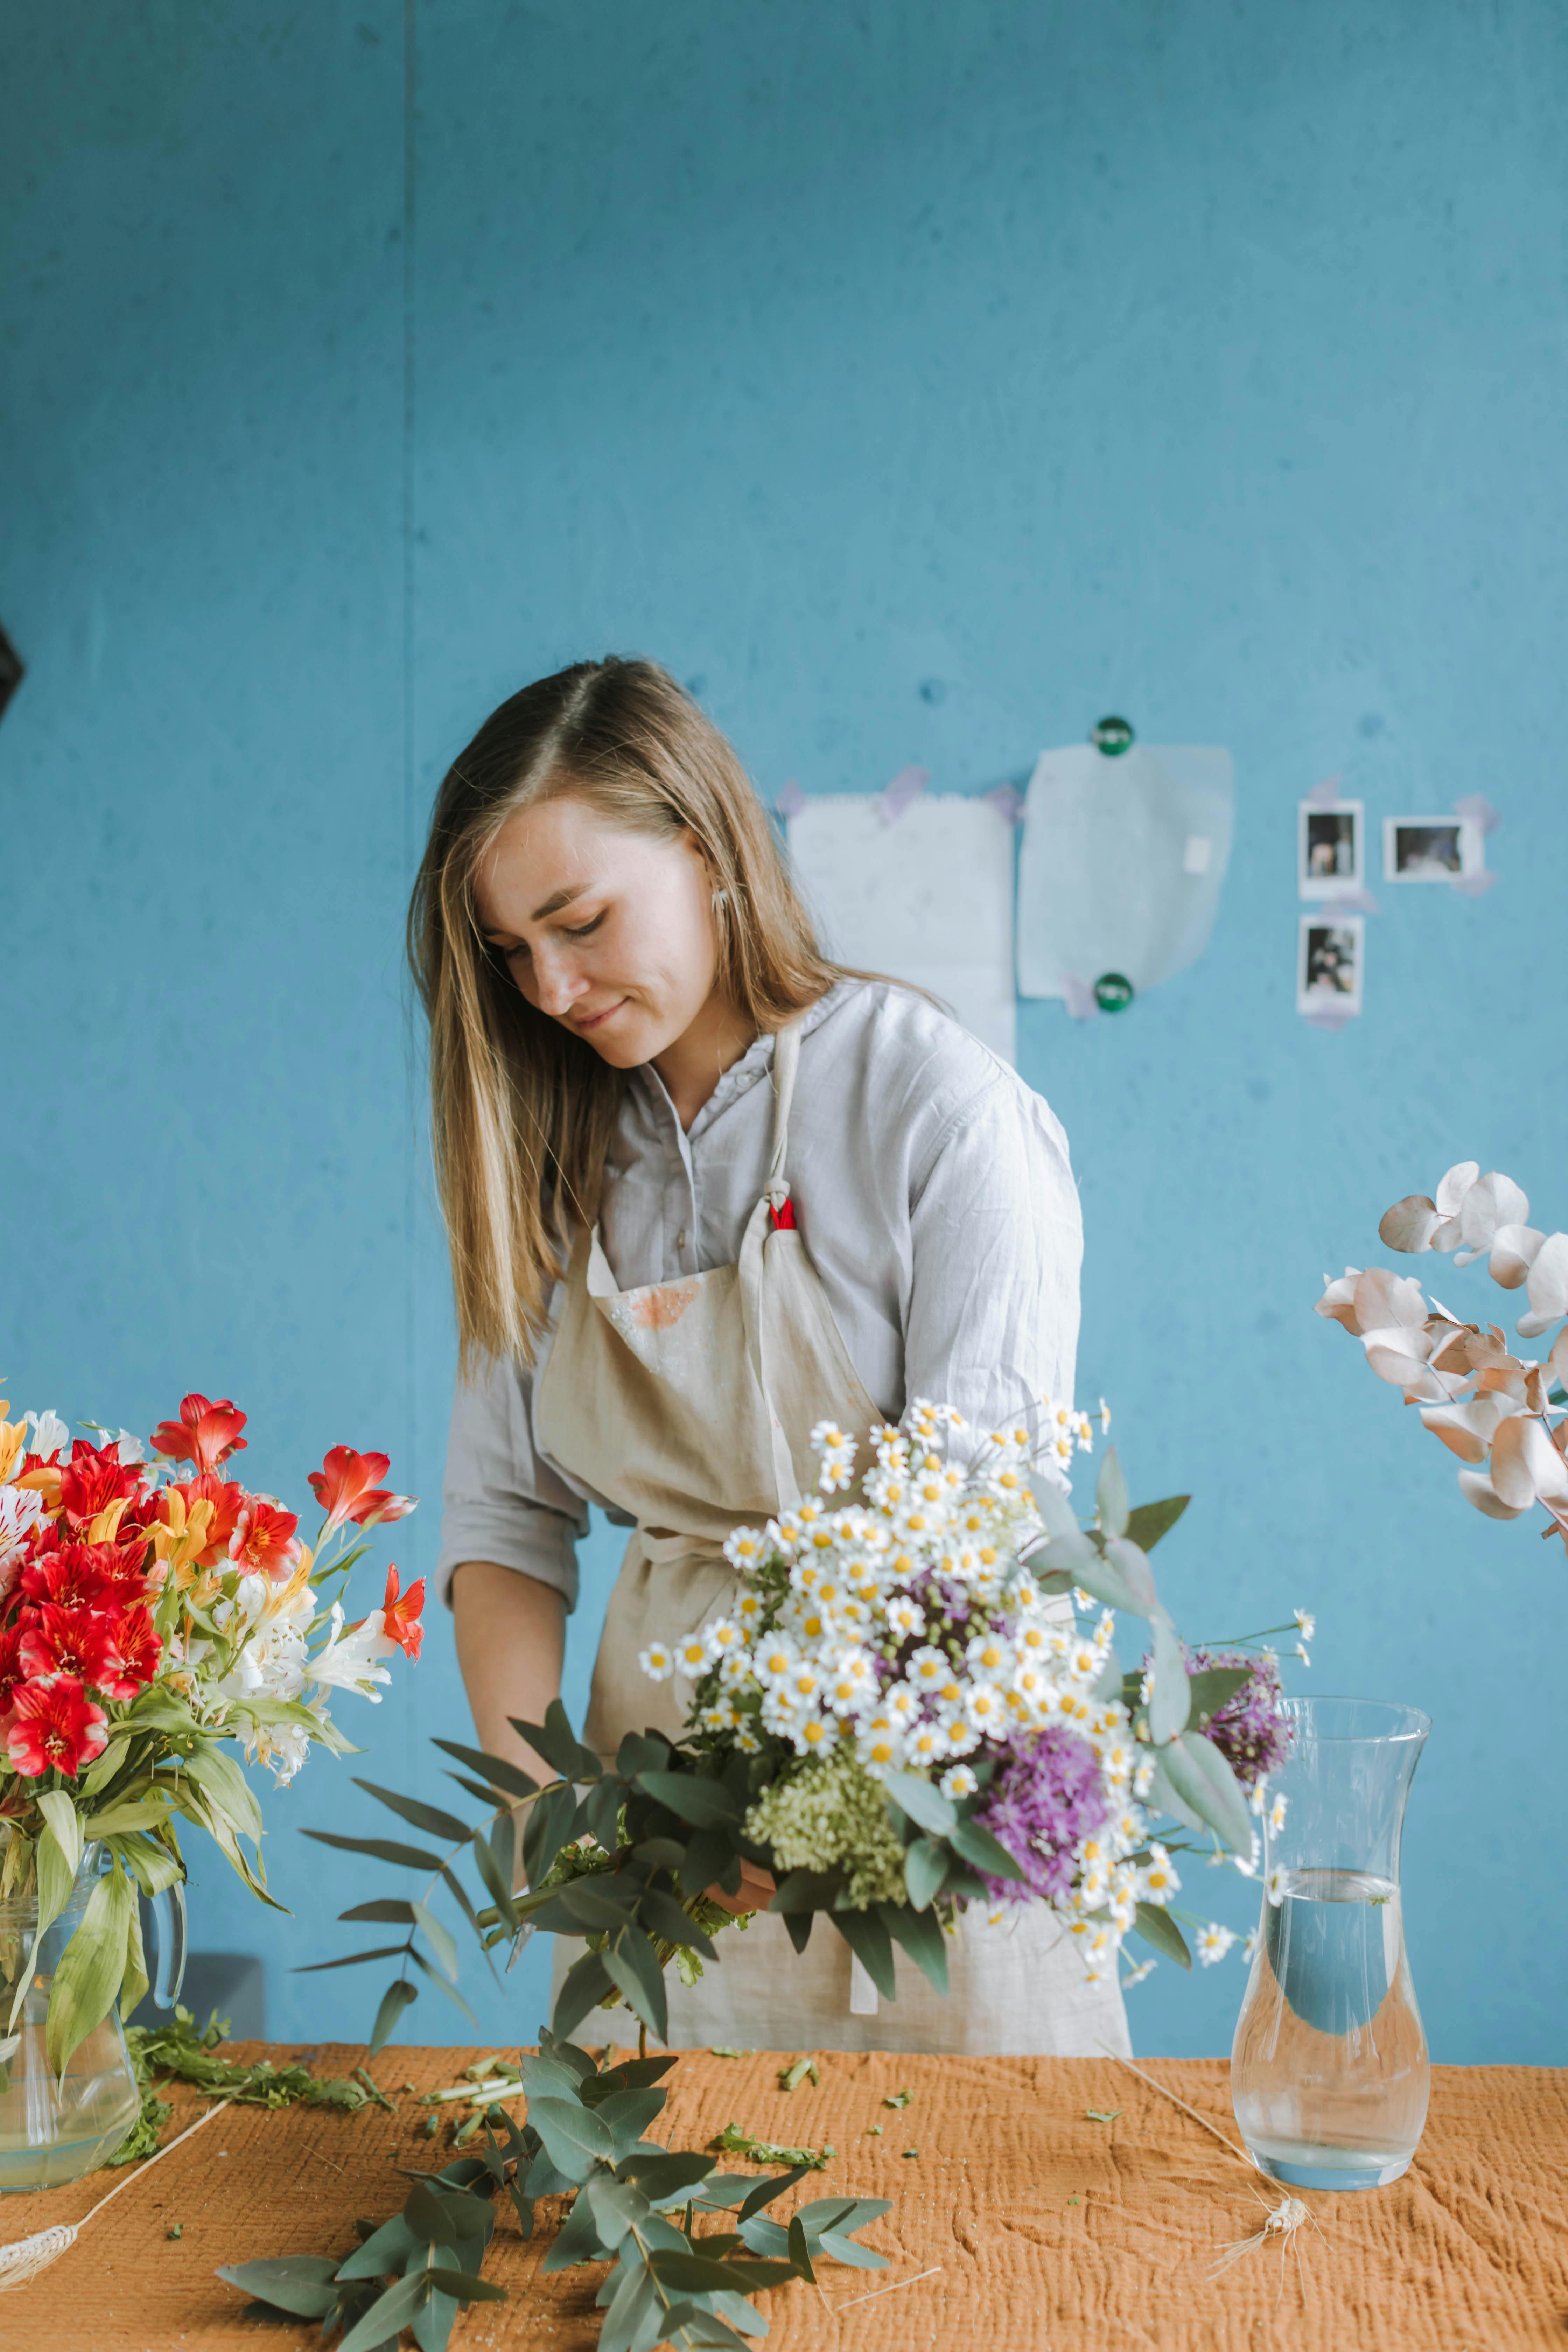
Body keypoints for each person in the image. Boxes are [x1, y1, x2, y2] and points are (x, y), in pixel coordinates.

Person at [408, 655, 1129, 2058]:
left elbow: (971, 1532)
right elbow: (503, 1522)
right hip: (651, 1828)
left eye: (581, 922)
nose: (550, 988)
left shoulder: (939, 1111)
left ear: (704, 844)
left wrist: (813, 1796)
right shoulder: (544, 1152)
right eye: (511, 952)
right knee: (645, 2244)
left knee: (989, 2249)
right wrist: (552, 1816)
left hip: (929, 1805)